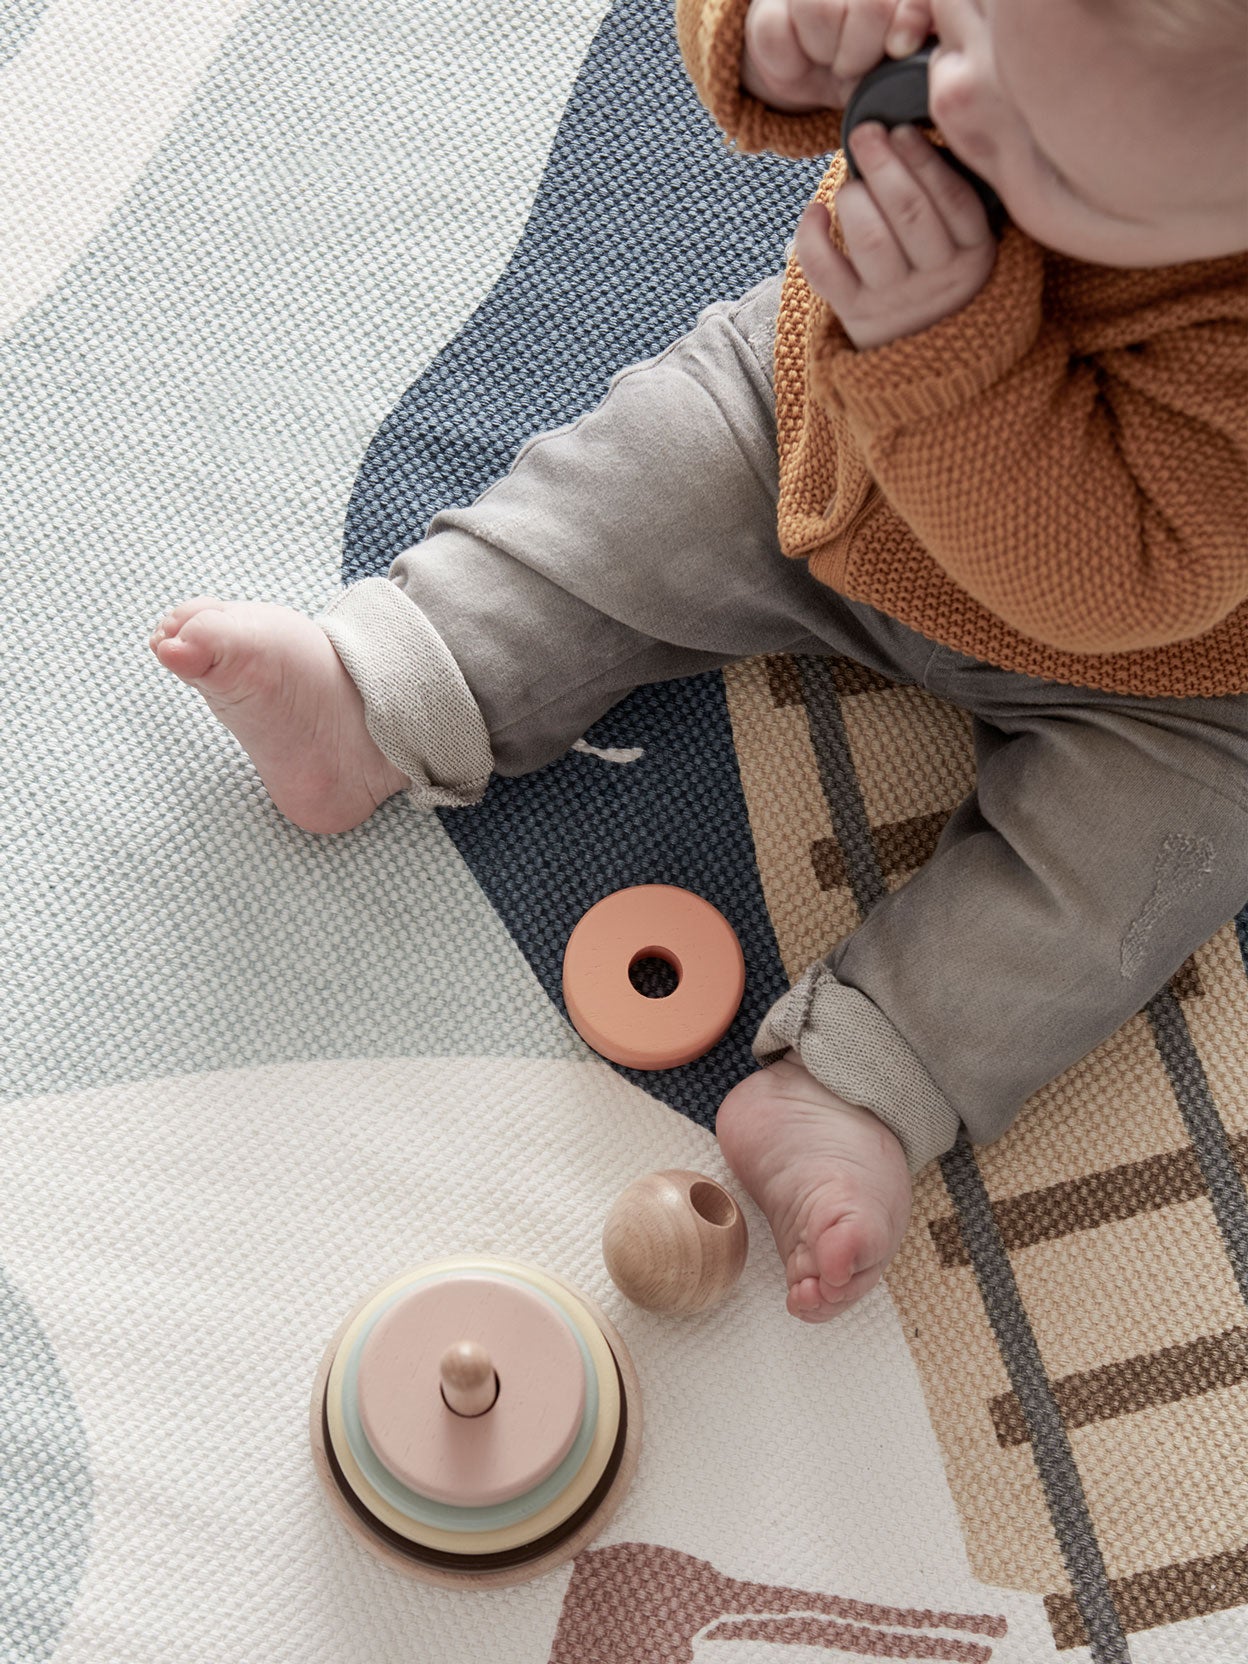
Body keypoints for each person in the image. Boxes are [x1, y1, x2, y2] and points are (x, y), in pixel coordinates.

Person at [150, 0, 1248, 1322]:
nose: (951, 102)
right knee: (660, 468)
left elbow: (1105, 575)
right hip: (823, 433)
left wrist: (939, 342)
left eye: (1052, 164)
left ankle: (870, 1078)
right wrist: (778, 40)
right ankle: (383, 696)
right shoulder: (1016, 63)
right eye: (955, 28)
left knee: (1159, 848)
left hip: (1147, 663)